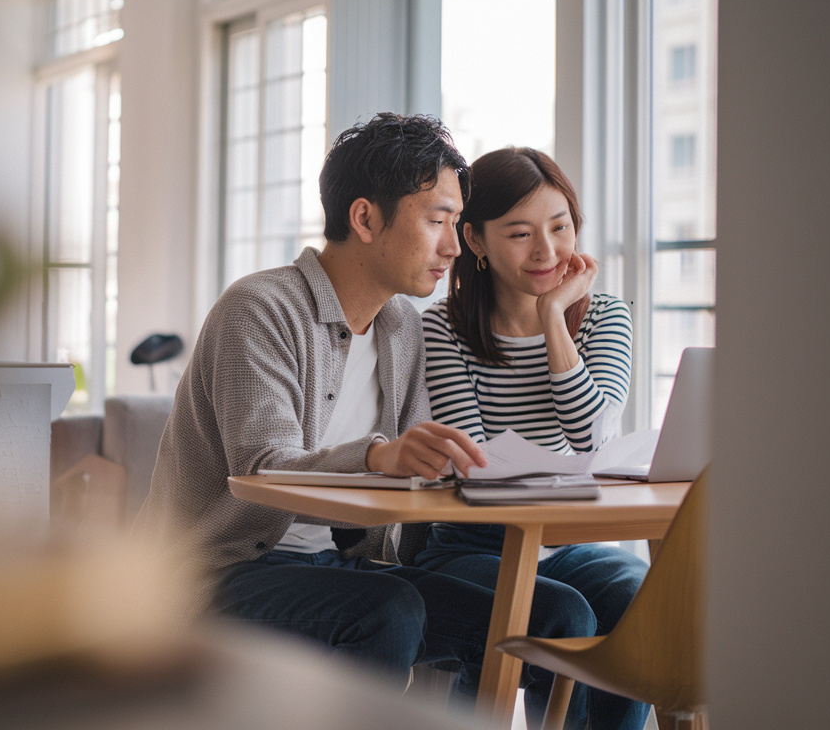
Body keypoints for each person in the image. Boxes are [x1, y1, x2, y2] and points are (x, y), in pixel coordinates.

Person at [135, 114, 583, 698]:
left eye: (456, 223)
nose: (453, 245)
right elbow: (261, 464)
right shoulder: (259, 308)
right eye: (438, 220)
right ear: (366, 218)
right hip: (215, 572)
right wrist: (380, 458)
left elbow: (422, 469)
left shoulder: (402, 327)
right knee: (388, 611)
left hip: (349, 566)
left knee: (555, 617)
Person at [415, 146, 650, 729]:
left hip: (564, 542)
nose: (547, 251)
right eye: (520, 233)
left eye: (560, 227)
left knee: (637, 595)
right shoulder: (442, 330)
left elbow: (591, 434)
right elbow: (472, 464)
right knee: (559, 610)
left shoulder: (606, 316)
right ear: (476, 241)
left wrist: (553, 320)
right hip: (469, 546)